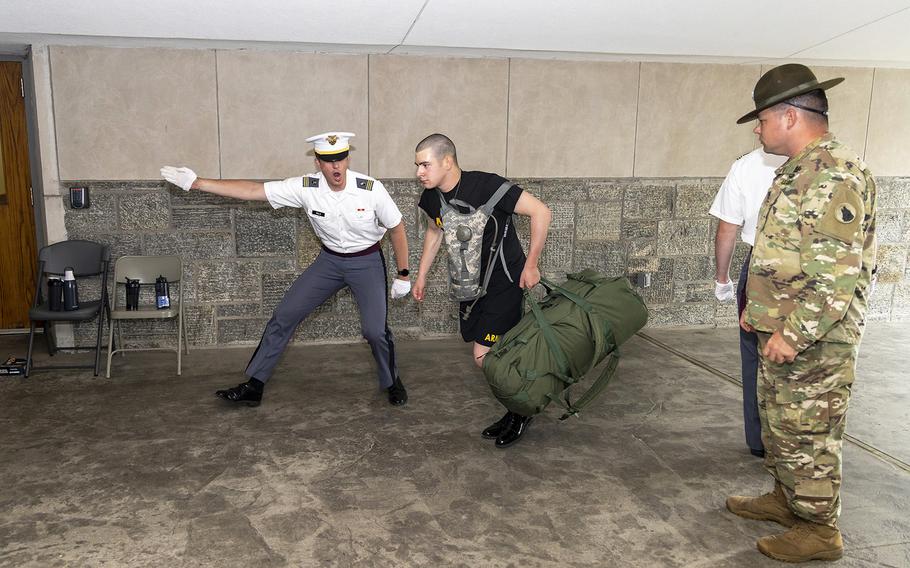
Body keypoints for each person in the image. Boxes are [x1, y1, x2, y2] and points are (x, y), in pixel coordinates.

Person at [725, 65, 877, 563]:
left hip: (815, 340)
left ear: (788, 116)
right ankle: (788, 500)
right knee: (781, 424)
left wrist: (793, 333)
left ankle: (818, 530)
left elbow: (837, 276)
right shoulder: (799, 169)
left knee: (810, 431)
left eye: (762, 119)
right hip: (782, 328)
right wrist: (761, 313)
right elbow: (786, 256)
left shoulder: (833, 174)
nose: (758, 129)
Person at [160, 132, 412, 407]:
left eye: (340, 158)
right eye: (328, 161)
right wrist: (198, 183)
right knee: (284, 315)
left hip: (366, 261)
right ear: (318, 162)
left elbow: (396, 228)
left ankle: (391, 381)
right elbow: (254, 191)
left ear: (348, 158)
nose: (336, 166)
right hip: (329, 262)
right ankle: (254, 386)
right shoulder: (305, 187)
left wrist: (403, 274)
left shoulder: (370, 188)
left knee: (375, 331)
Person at [411, 133, 552, 448]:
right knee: (500, 350)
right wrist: (420, 275)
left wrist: (531, 264)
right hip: (470, 288)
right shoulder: (432, 195)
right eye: (417, 165)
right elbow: (435, 231)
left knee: (483, 354)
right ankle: (516, 407)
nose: (419, 172)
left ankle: (521, 409)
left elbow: (541, 211)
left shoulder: (488, 185)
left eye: (424, 164)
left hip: (505, 282)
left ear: (447, 161)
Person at [710, 148, 785, 458]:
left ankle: (759, 441)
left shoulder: (746, 165)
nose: (757, 130)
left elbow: (728, 227)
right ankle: (794, 445)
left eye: (761, 121)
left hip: (761, 270)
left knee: (754, 356)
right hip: (811, 272)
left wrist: (722, 278)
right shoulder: (837, 163)